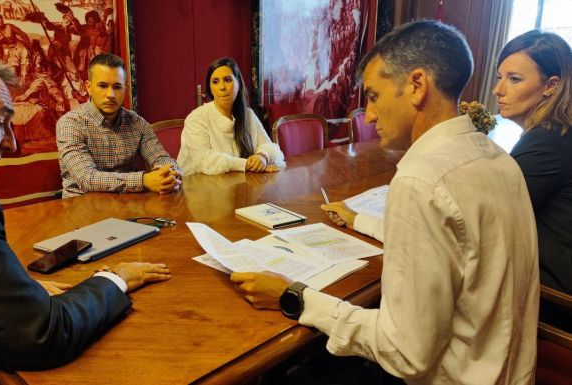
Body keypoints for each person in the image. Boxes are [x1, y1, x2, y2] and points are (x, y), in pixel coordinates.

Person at [231, 21, 539, 384]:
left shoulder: (420, 181)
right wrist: (360, 220)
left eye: (374, 96)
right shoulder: (498, 158)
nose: (370, 114)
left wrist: (294, 296)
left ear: (417, 85)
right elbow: (462, 248)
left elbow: (405, 352)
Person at [0, 43, 171, 385]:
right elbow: (42, 333)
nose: (12, 144)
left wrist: (167, 171)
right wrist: (117, 278)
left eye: (118, 86)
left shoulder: (138, 122)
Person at [493, 30, 572, 295]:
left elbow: (490, 218)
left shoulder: (547, 141)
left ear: (551, 85)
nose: (498, 90)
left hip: (553, 296)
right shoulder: (558, 131)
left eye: (514, 79)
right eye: (499, 78)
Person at [56, 53, 181, 198]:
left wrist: (171, 171)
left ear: (125, 88)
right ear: (88, 87)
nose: (111, 94)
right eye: (103, 86)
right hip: (82, 208)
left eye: (117, 87)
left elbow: (160, 157)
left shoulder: (137, 123)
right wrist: (143, 180)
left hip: (129, 204)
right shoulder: (70, 124)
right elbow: (87, 178)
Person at [177, 57, 285, 176]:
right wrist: (247, 164)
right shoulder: (197, 117)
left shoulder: (248, 115)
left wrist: (263, 156)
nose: (222, 87)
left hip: (239, 184)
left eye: (227, 80)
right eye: (215, 82)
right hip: (198, 188)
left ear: (238, 83)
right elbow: (203, 159)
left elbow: (273, 148)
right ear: (210, 89)